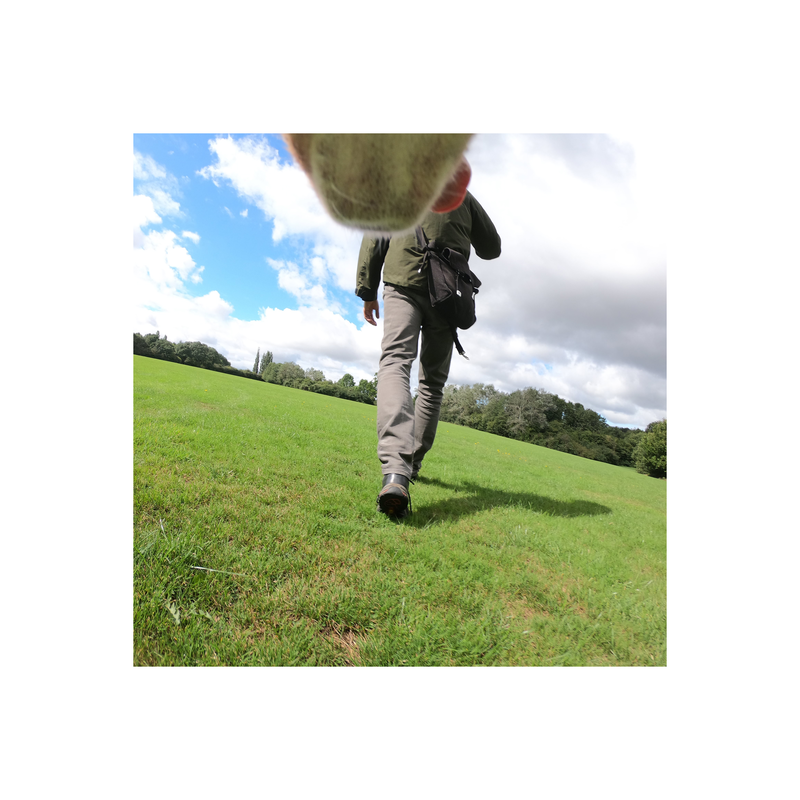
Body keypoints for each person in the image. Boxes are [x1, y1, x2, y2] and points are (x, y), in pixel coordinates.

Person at [356, 190, 501, 518]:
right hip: (447, 289)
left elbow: (375, 236)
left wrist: (367, 289)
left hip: (402, 280)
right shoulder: (462, 194)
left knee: (395, 362)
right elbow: (491, 248)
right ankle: (412, 465)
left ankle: (396, 471)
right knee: (432, 384)